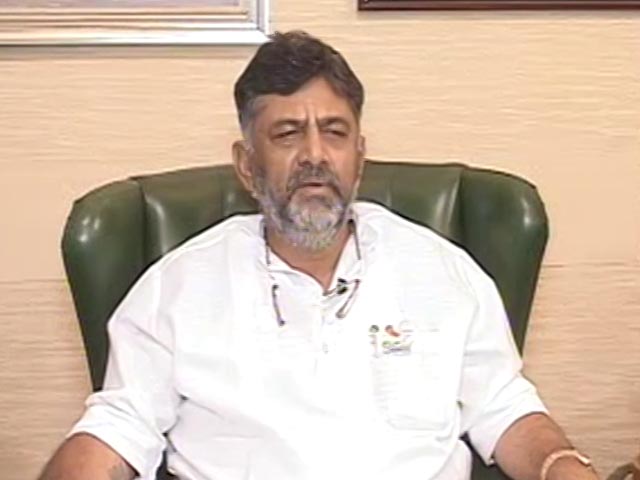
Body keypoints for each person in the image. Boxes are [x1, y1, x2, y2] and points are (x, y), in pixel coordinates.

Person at [39, 31, 599, 480]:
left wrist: (562, 466)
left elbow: (503, 408)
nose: (314, 155)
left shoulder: (443, 270)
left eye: (334, 132)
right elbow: (118, 427)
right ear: (246, 165)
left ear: (359, 156)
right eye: (287, 133)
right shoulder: (177, 286)